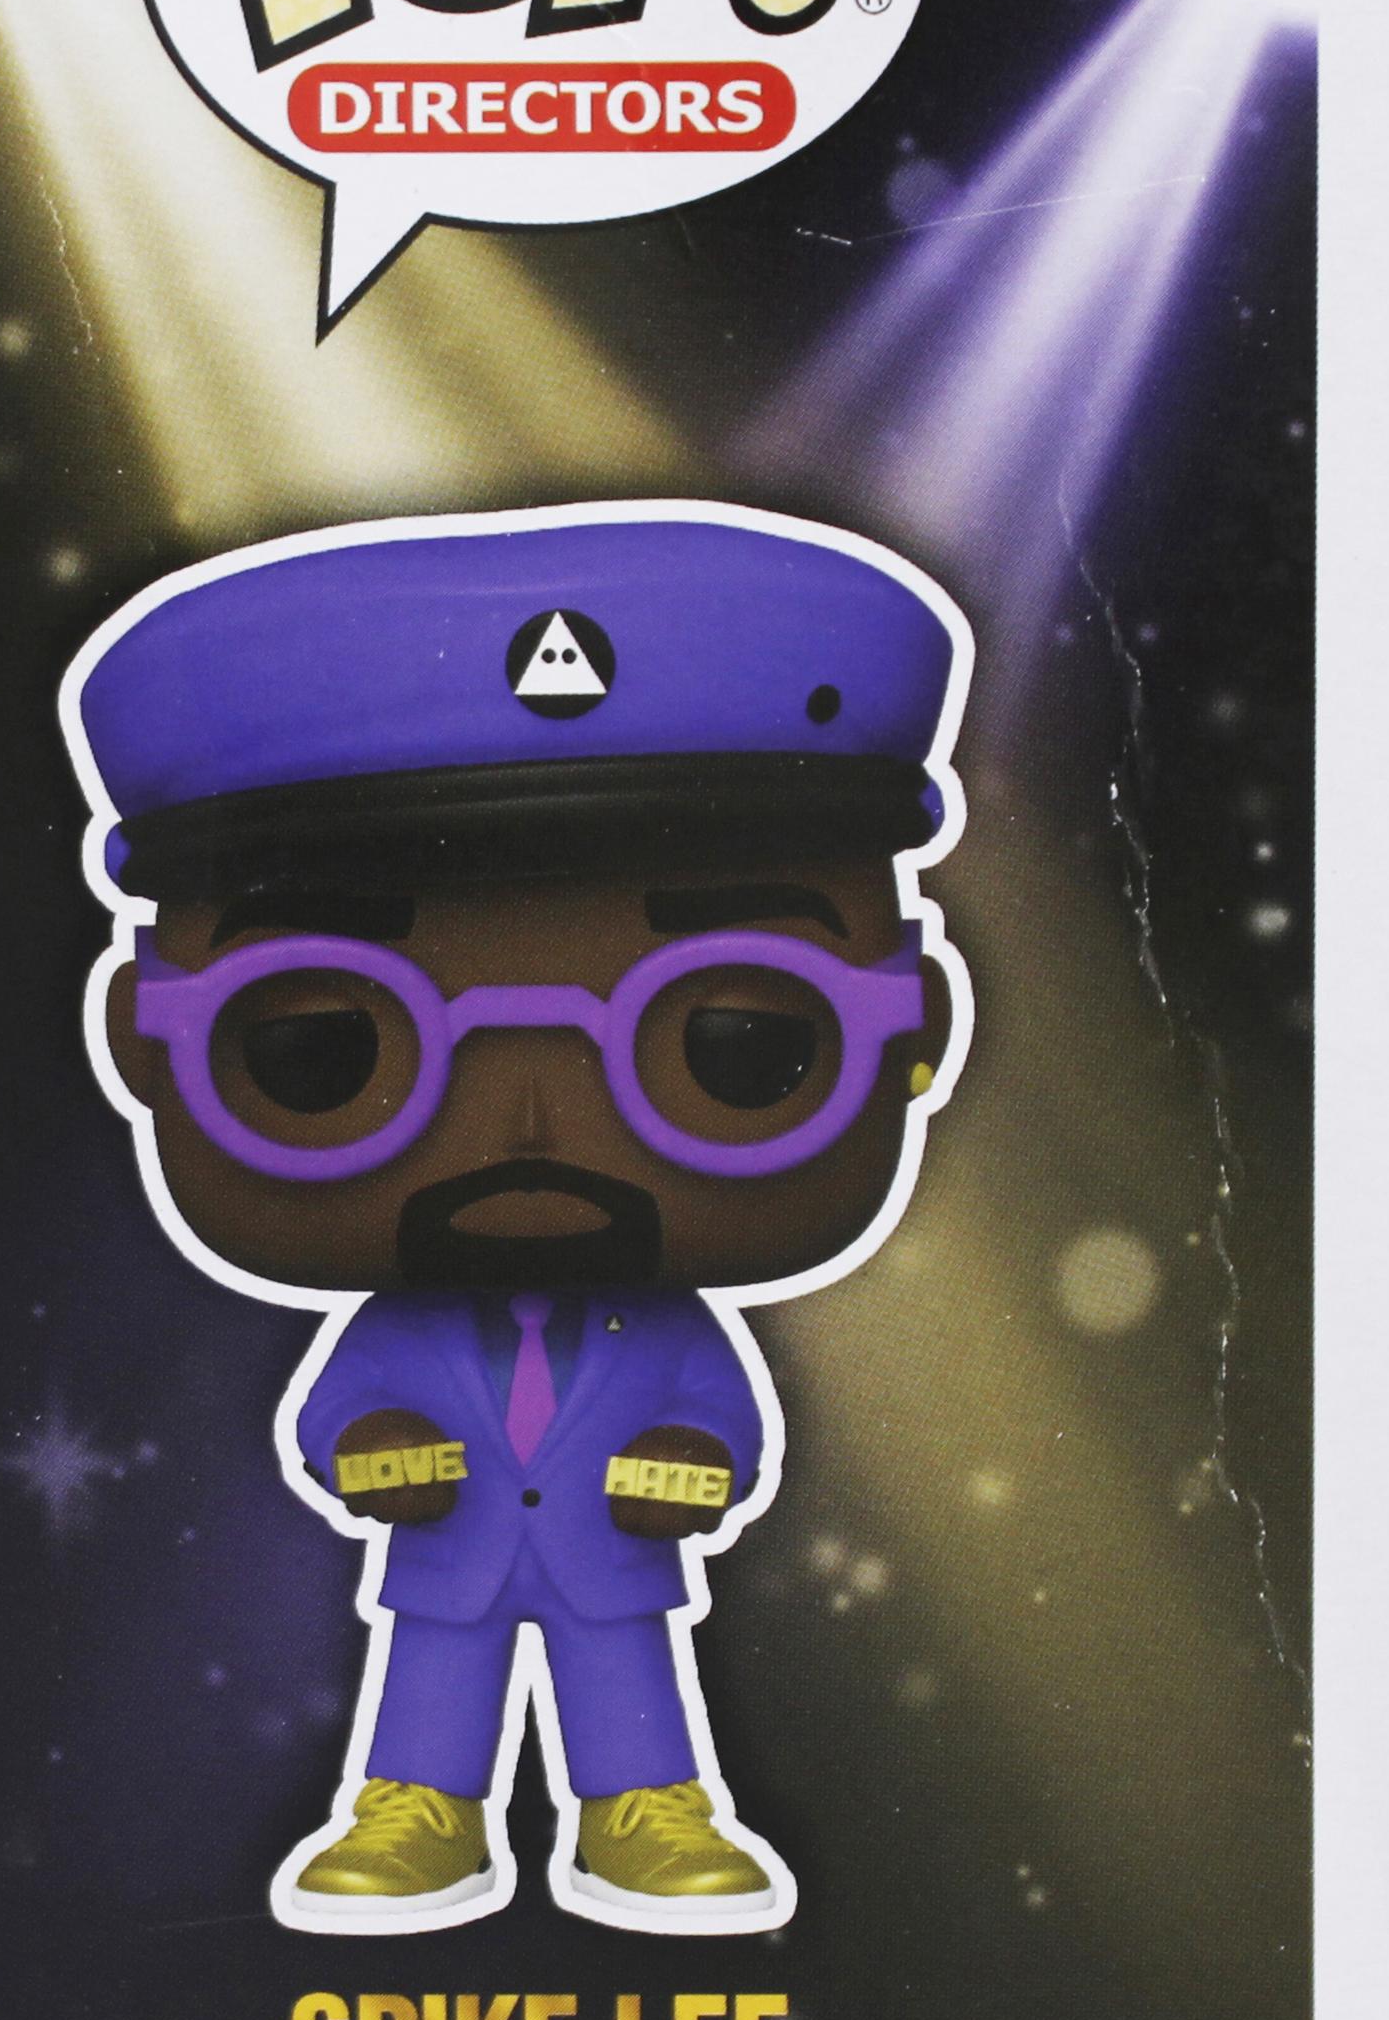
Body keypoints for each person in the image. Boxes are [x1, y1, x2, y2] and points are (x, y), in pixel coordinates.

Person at [64, 501, 970, 1932]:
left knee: (628, 1691)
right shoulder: (399, 1325)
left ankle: (646, 1814)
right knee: (432, 1685)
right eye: (324, 1049)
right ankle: (414, 1812)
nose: (532, 1131)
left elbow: (722, 1417)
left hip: (612, 1564)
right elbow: (336, 1414)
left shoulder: (664, 1324)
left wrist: (696, 1460)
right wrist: (368, 1449)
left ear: (916, 1031)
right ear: (140, 1044)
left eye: (732, 1043)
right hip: (449, 1560)